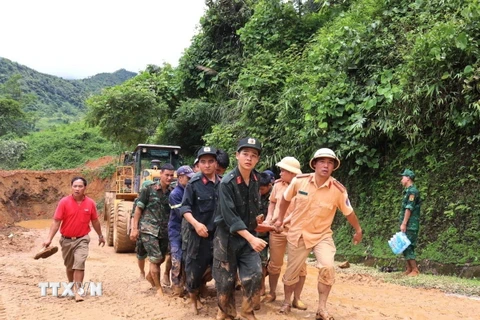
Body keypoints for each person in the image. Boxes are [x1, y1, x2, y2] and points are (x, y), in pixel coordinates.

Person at [274, 148, 363, 320]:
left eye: (330, 163)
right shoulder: (299, 181)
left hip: (322, 235)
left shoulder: (338, 190)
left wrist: (358, 230)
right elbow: (285, 199)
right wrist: (279, 219)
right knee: (292, 272)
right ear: (314, 164)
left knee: (327, 268)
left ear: (334, 167)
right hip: (298, 233)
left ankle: (322, 309)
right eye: (322, 161)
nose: (326, 165)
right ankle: (286, 302)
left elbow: (349, 213)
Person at [213, 137, 267, 320]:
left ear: (258, 159)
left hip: (248, 236)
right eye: (245, 154)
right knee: (225, 281)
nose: (249, 158)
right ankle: (225, 312)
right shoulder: (226, 182)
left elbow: (253, 206)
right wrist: (251, 238)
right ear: (237, 155)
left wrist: (257, 219)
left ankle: (247, 312)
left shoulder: (256, 178)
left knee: (255, 274)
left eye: (253, 155)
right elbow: (230, 217)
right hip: (227, 238)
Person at [43, 176, 105, 302]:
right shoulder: (64, 202)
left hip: (82, 238)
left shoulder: (90, 203)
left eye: (80, 186)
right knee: (70, 267)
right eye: (75, 186)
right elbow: (56, 221)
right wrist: (49, 238)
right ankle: (71, 287)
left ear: (85, 188)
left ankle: (78, 291)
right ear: (71, 187)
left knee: (79, 264)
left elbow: (95, 221)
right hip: (66, 240)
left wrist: (100, 235)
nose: (77, 189)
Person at [180, 146, 221, 314]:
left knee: (222, 273)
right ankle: (193, 302)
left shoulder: (224, 184)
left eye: (211, 161)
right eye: (203, 162)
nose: (207, 165)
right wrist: (196, 224)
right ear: (198, 164)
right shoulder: (194, 185)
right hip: (198, 237)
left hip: (219, 237)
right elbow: (184, 209)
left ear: (216, 163)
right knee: (194, 271)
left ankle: (223, 307)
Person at [263, 157, 307, 312]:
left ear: (292, 172)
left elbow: (300, 209)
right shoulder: (277, 185)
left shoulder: (304, 186)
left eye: (283, 171)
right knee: (274, 264)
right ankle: (272, 292)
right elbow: (273, 203)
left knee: (300, 266)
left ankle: (297, 298)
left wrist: (283, 221)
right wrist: (270, 218)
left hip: (296, 230)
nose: (280, 173)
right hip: (277, 230)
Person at [130, 163, 175, 297]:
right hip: (148, 229)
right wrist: (134, 228)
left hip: (164, 230)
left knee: (160, 258)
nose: (169, 177)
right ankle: (158, 289)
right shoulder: (148, 190)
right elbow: (138, 209)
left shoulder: (173, 192)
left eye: (172, 175)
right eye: (167, 175)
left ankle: (151, 276)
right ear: (161, 174)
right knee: (155, 259)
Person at [168, 165, 195, 296]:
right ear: (180, 178)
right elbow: (183, 213)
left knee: (187, 258)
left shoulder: (190, 190)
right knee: (177, 258)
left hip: (188, 231)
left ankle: (185, 284)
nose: (190, 180)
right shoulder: (175, 194)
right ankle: (176, 286)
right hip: (176, 231)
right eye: (187, 178)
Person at [130, 180, 156, 280]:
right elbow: (133, 215)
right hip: (141, 230)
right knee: (141, 254)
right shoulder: (138, 201)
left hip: (153, 230)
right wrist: (134, 229)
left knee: (154, 255)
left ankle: (151, 274)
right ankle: (142, 272)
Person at [399, 169, 421, 276]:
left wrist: (404, 223)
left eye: (403, 177)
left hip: (411, 223)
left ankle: (415, 270)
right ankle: (409, 269)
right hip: (407, 223)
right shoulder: (407, 191)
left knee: (409, 245)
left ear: (408, 178)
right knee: (404, 245)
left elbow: (409, 208)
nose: (401, 179)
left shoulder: (413, 192)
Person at [257, 172, 273, 296]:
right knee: (261, 261)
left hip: (273, 233)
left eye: (262, 189)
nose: (259, 191)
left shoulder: (276, 195)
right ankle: (261, 287)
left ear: (269, 185)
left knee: (274, 263)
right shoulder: (255, 194)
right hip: (260, 234)